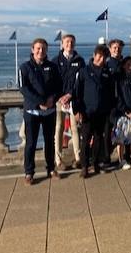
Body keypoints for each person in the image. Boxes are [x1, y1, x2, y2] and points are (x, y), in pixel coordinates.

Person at [19, 38, 62, 185]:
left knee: (50, 141)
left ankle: (51, 168)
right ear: (32, 49)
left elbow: (59, 86)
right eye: (38, 48)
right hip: (32, 111)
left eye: (43, 48)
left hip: (49, 111)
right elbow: (23, 88)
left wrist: (51, 100)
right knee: (31, 143)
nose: (40, 51)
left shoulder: (52, 66)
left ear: (47, 50)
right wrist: (40, 102)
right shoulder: (24, 67)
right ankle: (29, 172)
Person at [73, 45, 115, 178]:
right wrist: (76, 110)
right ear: (94, 55)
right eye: (100, 56)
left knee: (98, 139)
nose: (101, 59)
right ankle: (85, 166)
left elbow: (111, 93)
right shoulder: (84, 71)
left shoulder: (107, 73)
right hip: (87, 111)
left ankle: (95, 163)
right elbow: (77, 92)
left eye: (104, 57)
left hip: (102, 112)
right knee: (85, 140)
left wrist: (110, 110)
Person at [52, 33, 85, 171]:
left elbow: (81, 81)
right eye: (67, 42)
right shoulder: (55, 60)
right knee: (59, 128)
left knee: (75, 128)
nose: (69, 44)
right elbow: (52, 81)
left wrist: (70, 95)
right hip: (59, 100)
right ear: (62, 44)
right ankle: (58, 159)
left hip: (73, 99)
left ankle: (78, 158)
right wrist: (60, 97)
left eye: (72, 42)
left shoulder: (80, 60)